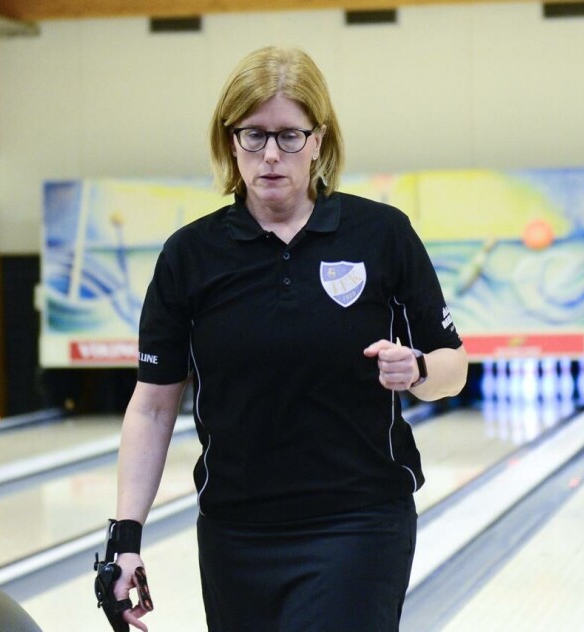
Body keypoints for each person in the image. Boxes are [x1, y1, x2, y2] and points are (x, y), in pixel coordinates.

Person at [102, 46, 468, 632]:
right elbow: (151, 407)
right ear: (230, 142)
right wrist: (124, 541)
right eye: (253, 135)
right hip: (235, 533)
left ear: (319, 140)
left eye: (290, 136)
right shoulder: (189, 257)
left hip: (360, 521)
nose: (271, 154)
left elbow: (455, 364)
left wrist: (420, 369)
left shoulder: (382, 235)